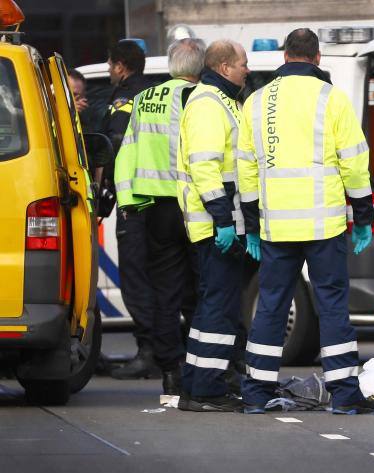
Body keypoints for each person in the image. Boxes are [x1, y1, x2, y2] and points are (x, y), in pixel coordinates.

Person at [237, 28, 374, 415]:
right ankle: (345, 394)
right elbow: (354, 161)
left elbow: (246, 170)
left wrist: (251, 223)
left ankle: (256, 392)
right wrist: (363, 216)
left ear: (284, 57)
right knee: (332, 305)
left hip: (276, 227)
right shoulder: (331, 99)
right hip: (324, 225)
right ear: (317, 59)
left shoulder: (255, 102)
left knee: (270, 307)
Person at [112, 38, 206, 399]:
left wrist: (129, 202)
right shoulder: (198, 98)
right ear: (198, 68)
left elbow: (127, 152)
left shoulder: (145, 98)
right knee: (201, 292)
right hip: (192, 205)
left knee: (165, 294)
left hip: (154, 209)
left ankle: (170, 371)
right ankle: (202, 368)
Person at [176, 39, 259, 412]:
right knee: (219, 308)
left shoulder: (222, 101)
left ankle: (196, 384)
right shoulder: (208, 104)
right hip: (216, 226)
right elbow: (205, 167)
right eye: (242, 63)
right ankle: (207, 390)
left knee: (214, 305)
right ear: (224, 67)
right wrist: (224, 220)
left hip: (222, 224)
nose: (247, 69)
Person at [101, 39, 158, 379]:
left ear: (121, 66)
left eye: (110, 64)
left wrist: (104, 184)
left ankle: (147, 351)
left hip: (134, 202)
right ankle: (165, 352)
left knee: (136, 279)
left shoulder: (123, 98)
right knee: (163, 278)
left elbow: (116, 143)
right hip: (161, 199)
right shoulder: (153, 94)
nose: (109, 70)